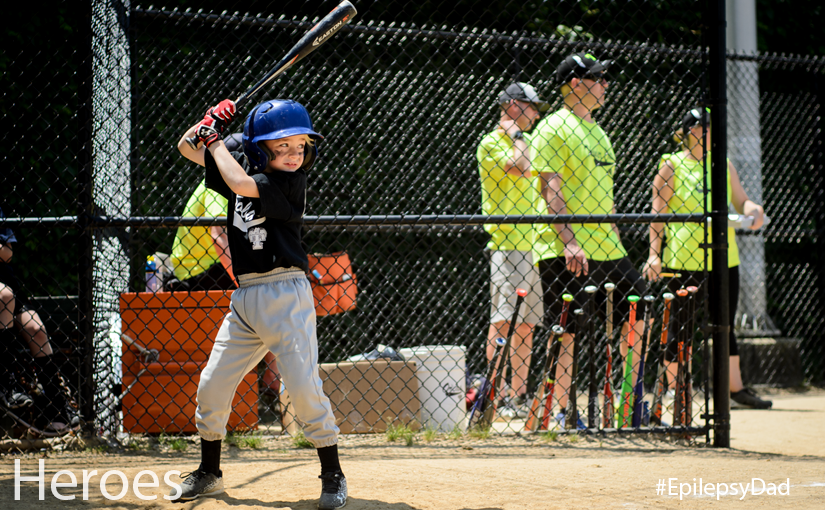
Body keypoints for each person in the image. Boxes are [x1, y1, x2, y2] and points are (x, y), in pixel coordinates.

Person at [175, 98, 346, 508]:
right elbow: (185, 147)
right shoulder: (243, 169)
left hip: (286, 293)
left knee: (304, 389)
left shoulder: (289, 183)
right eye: (281, 146)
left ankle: (333, 474)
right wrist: (207, 123)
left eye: (300, 146)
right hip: (246, 297)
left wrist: (216, 139)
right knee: (212, 384)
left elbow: (237, 183)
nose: (293, 154)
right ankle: (209, 472)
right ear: (259, 149)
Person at [530, 53, 648, 428]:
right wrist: (569, 240)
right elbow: (552, 190)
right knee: (568, 329)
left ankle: (630, 403)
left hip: (606, 245)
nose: (605, 84)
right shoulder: (552, 127)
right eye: (598, 78)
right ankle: (561, 410)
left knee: (640, 305)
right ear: (576, 83)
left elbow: (607, 198)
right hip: (564, 244)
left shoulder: (599, 132)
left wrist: (616, 240)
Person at [644, 107, 772, 410]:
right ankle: (675, 392)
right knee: (679, 326)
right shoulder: (671, 166)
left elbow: (741, 200)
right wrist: (653, 254)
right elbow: (657, 214)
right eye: (707, 127)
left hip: (723, 259)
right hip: (683, 260)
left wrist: (753, 210)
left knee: (725, 324)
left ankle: (735, 389)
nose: (713, 132)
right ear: (692, 131)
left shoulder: (723, 164)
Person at [168, 133, 280, 399]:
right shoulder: (218, 185)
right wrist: (247, 282)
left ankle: (274, 376)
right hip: (197, 272)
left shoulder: (231, 184)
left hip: (207, 266)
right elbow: (218, 237)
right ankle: (274, 377)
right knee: (265, 293)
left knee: (271, 289)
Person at [477, 82, 548, 418]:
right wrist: (516, 137)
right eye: (531, 107)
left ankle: (516, 397)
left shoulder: (530, 141)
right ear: (513, 106)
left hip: (534, 246)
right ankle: (495, 393)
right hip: (507, 245)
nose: (535, 114)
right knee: (504, 321)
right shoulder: (491, 143)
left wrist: (521, 138)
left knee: (527, 325)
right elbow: (520, 166)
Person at [0, 206, 81, 433]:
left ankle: (58, 408)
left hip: (6, 285)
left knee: (36, 329)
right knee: (4, 296)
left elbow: (6, 253)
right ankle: (7, 384)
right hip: (3, 294)